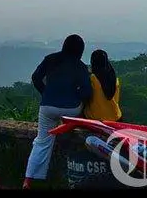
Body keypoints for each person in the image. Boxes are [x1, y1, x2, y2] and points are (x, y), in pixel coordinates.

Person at [23, 34, 92, 189]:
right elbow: (87, 92)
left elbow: (36, 78)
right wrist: (75, 96)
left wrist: (45, 93)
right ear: (80, 50)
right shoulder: (80, 66)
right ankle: (68, 128)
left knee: (41, 141)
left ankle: (29, 180)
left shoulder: (50, 59)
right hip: (71, 109)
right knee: (78, 114)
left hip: (47, 107)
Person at [83, 49, 122, 122]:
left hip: (95, 117)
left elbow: (86, 95)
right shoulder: (115, 80)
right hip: (115, 116)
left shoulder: (92, 78)